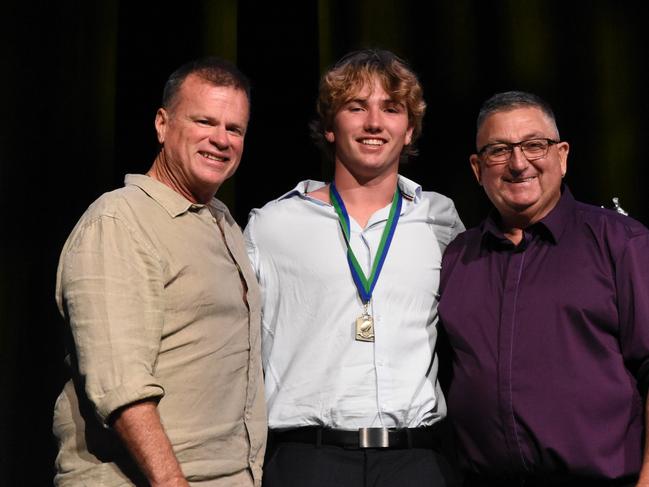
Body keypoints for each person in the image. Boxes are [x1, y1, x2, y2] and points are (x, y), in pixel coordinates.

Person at [244, 49, 464, 486]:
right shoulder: (272, 226)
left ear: (409, 130)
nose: (374, 123)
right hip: (308, 459)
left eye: (391, 109)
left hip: (415, 460)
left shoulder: (442, 221)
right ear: (330, 126)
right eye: (356, 107)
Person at [53, 57, 266, 486]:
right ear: (162, 124)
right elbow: (121, 386)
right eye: (204, 121)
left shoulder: (222, 222)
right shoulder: (118, 222)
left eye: (234, 129)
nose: (220, 139)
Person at [438, 91, 649, 487]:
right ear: (477, 167)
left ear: (562, 155)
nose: (519, 164)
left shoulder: (620, 243)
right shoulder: (456, 259)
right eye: (499, 150)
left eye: (535, 145)